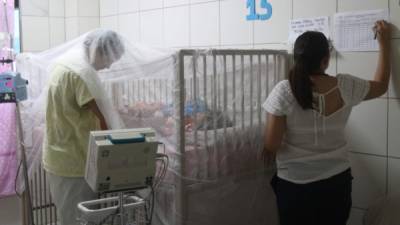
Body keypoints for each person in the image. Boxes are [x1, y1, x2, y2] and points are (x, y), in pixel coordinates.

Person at [262, 20, 391, 225]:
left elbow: (271, 145)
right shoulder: (346, 86)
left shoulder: (284, 91)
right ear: (325, 60)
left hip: (296, 188)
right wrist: (385, 43)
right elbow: (382, 85)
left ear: (296, 58)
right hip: (337, 184)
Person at [42, 29, 125, 225]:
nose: (108, 66)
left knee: (68, 216)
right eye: (110, 60)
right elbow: (104, 119)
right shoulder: (83, 73)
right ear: (101, 52)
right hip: (75, 161)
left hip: (58, 156)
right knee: (81, 219)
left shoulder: (65, 63)